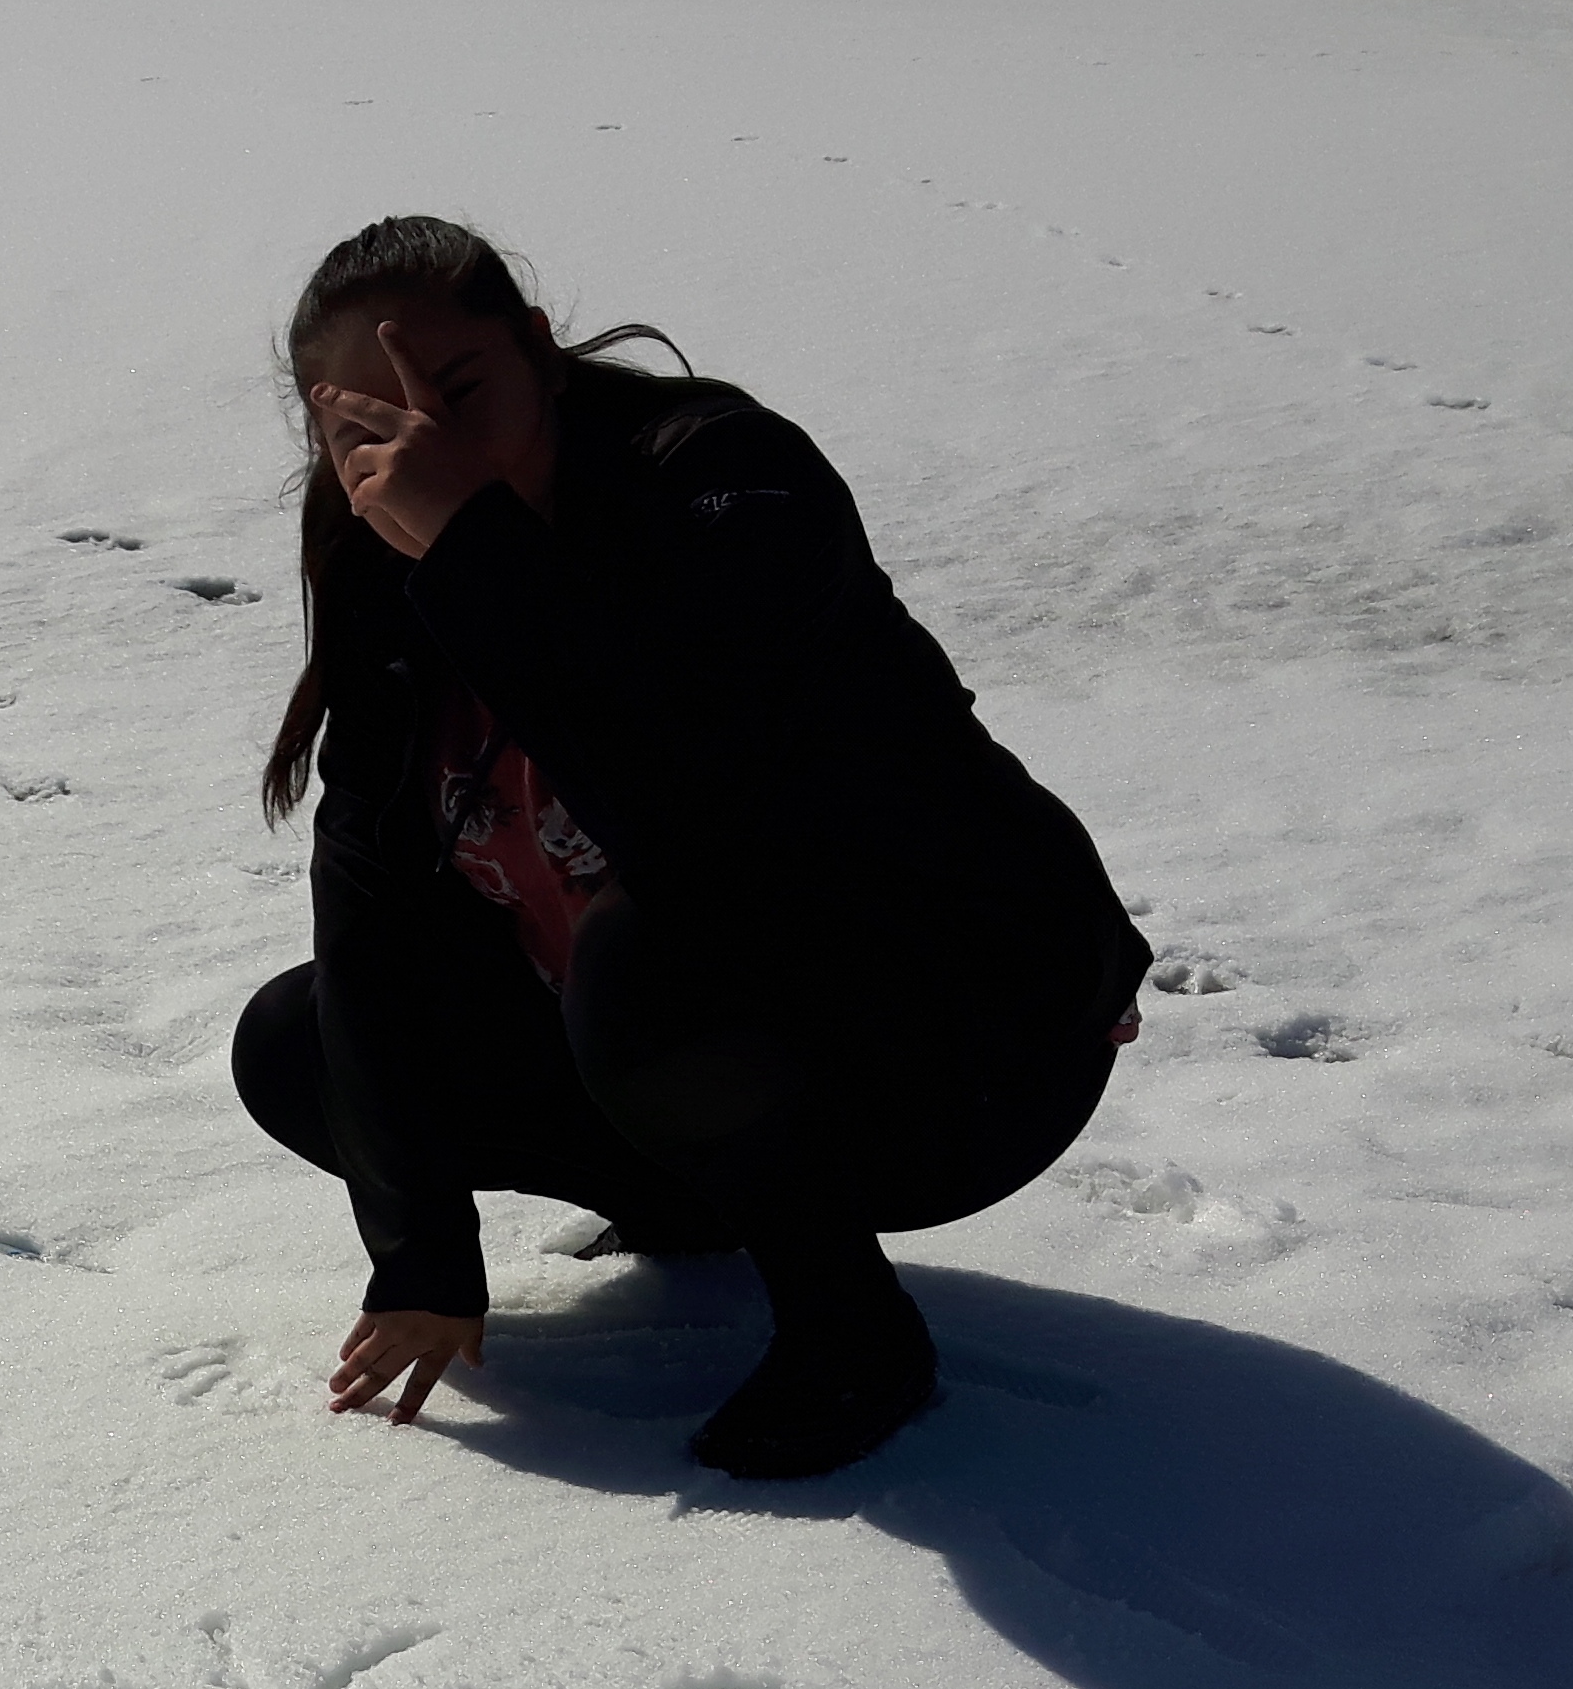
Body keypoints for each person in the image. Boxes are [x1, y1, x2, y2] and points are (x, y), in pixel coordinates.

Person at [231, 217, 1149, 1479]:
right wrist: (423, 1259)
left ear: (540, 352)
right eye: (372, 430)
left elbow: (711, 799)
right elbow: (371, 908)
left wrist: (476, 549)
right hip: (699, 1045)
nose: (425, 446)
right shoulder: (393, 572)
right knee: (301, 1041)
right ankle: (691, 1197)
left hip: (963, 1048)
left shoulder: (723, 477)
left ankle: (854, 1329)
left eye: (456, 393)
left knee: (647, 956)